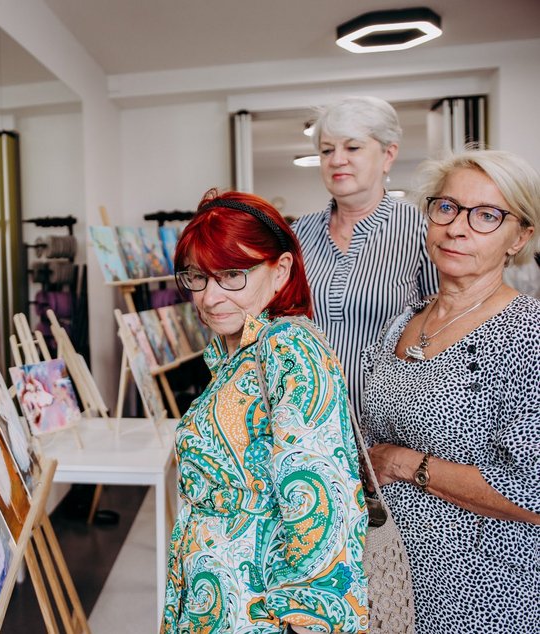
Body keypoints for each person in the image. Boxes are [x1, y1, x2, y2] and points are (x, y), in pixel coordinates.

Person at [163, 190, 368, 633]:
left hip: (254, 607)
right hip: (215, 597)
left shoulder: (288, 347)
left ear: (281, 271)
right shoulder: (234, 353)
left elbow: (321, 497)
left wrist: (308, 620)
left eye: (232, 275)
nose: (210, 297)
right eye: (197, 277)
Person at [361, 149, 540, 633]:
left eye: (487, 216)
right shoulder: (404, 320)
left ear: (519, 236)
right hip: (392, 578)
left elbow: (534, 492)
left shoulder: (527, 333)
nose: (458, 228)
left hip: (484, 592)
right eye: (447, 207)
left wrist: (403, 462)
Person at [292, 96, 438, 416]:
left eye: (352, 148)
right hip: (309, 423)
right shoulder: (298, 234)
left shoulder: (423, 230)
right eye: (327, 150)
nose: (337, 160)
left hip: (389, 426)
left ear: (388, 154)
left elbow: (442, 328)